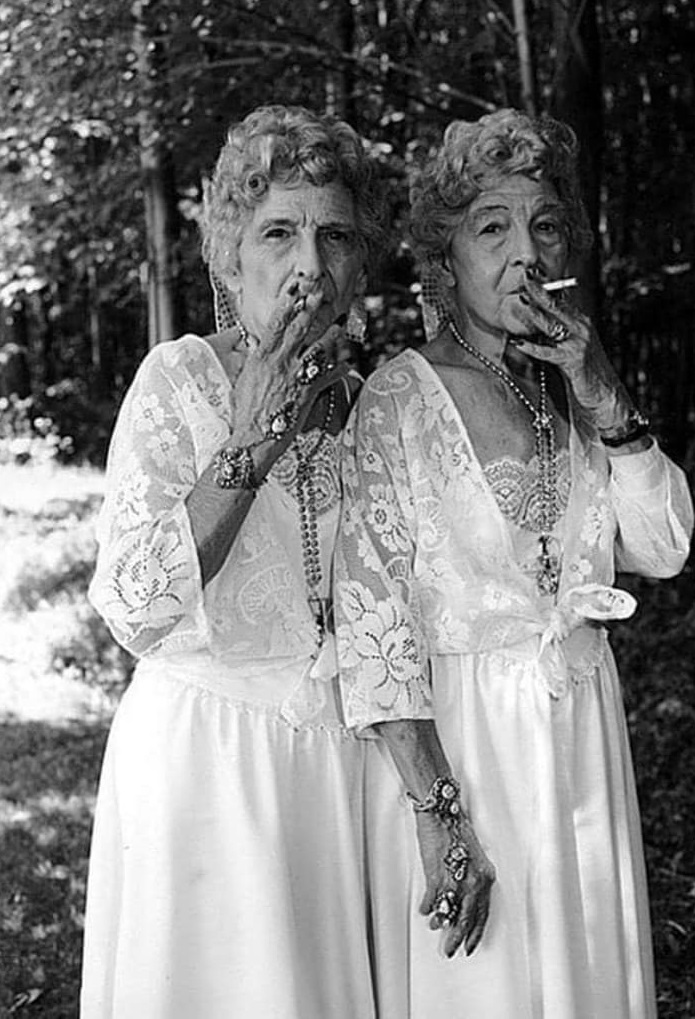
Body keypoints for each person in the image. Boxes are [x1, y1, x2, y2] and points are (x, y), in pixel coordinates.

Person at [335, 108, 694, 1018]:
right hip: (467, 750)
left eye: (544, 226)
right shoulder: (399, 396)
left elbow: (662, 547)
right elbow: (374, 634)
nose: (524, 253)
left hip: (579, 739)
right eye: (491, 228)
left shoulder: (574, 388)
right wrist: (443, 819)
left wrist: (601, 388)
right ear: (444, 256)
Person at [81, 105, 385, 1018]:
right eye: (278, 233)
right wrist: (252, 437)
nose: (308, 266)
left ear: (358, 266)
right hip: (203, 768)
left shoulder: (368, 407)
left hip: (330, 780)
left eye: (334, 236)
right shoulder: (176, 380)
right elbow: (134, 608)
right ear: (227, 257)